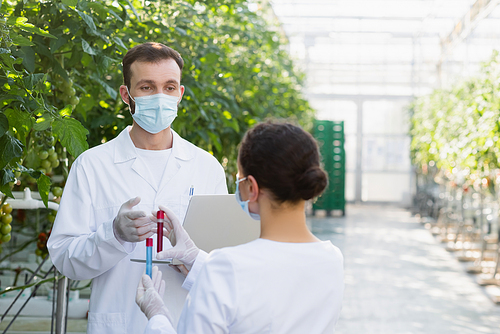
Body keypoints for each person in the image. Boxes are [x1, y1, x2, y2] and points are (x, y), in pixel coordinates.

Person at [47, 42, 228, 333]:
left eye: (169, 87)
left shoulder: (206, 168)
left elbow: (224, 264)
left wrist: (193, 259)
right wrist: (113, 235)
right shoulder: (92, 166)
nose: (160, 97)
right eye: (146, 87)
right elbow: (65, 258)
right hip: (118, 322)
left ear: (180, 94)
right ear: (126, 94)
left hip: (189, 322)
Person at [136, 121, 344, 333]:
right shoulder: (332, 259)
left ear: (252, 188)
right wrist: (196, 258)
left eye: (240, 180)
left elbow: (239, 278)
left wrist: (158, 317)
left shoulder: (225, 267)